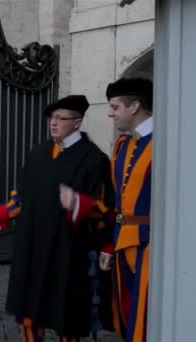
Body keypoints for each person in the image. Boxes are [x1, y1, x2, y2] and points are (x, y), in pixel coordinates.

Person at [0, 95, 114, 341]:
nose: (54, 123)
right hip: (31, 247)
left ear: (77, 122)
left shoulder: (94, 160)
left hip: (69, 251)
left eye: (61, 118)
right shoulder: (38, 153)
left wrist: (104, 243)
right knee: (27, 312)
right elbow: (23, 197)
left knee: (66, 317)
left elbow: (106, 209)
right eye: (52, 118)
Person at [60, 78, 153, 342]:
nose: (110, 112)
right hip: (122, 243)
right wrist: (109, 245)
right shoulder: (122, 145)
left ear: (134, 106)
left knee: (145, 319)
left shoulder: (166, 143)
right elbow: (115, 205)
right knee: (124, 316)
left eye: (115, 107)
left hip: (151, 247)